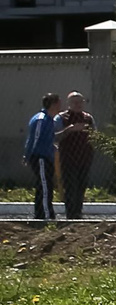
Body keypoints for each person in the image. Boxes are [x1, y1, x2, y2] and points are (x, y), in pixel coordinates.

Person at [52, 93, 94, 220]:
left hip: (84, 157)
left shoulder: (88, 118)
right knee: (70, 186)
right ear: (68, 104)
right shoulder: (61, 118)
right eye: (74, 102)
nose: (78, 104)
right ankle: (71, 214)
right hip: (68, 157)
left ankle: (78, 212)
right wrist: (69, 129)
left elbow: (96, 135)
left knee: (81, 185)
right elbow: (54, 136)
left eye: (80, 101)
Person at [22, 92, 57, 222]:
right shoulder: (41, 119)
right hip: (40, 157)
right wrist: (28, 155)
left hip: (47, 157)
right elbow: (34, 139)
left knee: (44, 185)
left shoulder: (49, 119)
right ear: (53, 104)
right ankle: (47, 215)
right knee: (45, 186)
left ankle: (40, 213)